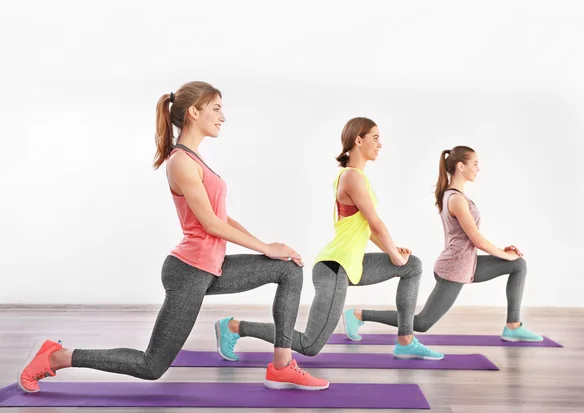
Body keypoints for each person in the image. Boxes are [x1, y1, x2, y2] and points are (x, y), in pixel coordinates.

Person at [17, 81, 329, 393]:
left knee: (288, 268)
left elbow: (220, 217)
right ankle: (56, 357)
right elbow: (211, 224)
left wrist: (271, 247)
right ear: (194, 111)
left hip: (211, 268)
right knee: (151, 365)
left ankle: (281, 366)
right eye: (217, 108)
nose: (223, 116)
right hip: (189, 272)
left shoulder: (195, 159)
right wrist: (265, 247)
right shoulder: (181, 161)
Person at [215, 117, 444, 361]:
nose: (380, 144)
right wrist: (395, 255)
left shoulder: (356, 178)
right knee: (309, 344)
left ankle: (405, 341)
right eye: (375, 138)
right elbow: (375, 222)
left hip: (350, 264)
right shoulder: (352, 177)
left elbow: (365, 227)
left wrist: (391, 251)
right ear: (358, 140)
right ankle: (233, 327)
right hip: (335, 268)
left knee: (412, 266)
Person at [344, 146, 543, 342]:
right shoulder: (456, 199)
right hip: (454, 268)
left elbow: (474, 241)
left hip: (468, 264)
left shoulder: (457, 196)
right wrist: (505, 254)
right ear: (461, 166)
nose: (478, 168)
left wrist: (506, 254)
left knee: (518, 265)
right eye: (475, 163)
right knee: (422, 323)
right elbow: (477, 240)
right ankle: (358, 315)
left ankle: (513, 327)